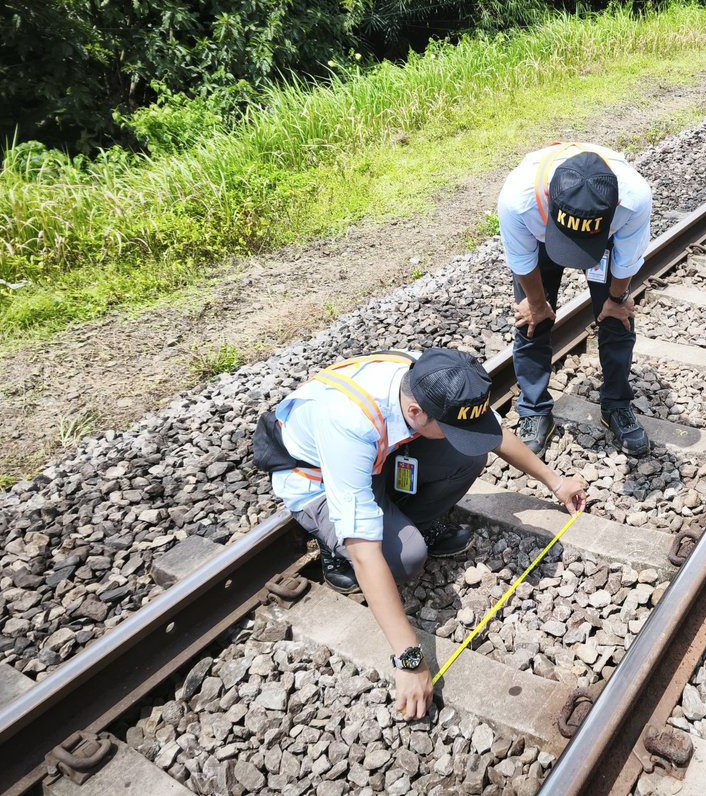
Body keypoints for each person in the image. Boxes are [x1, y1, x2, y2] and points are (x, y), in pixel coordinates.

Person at [253, 347, 588, 719]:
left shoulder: (434, 380)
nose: (460, 430)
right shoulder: (349, 423)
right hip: (317, 479)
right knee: (405, 556)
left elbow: (493, 433)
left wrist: (555, 481)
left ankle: (410, 522)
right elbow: (367, 554)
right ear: (415, 413)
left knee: (469, 454)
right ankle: (332, 543)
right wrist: (410, 659)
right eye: (449, 425)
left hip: (378, 457)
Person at [497, 142, 653, 458]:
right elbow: (523, 260)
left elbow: (625, 261)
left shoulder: (634, 199)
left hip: (606, 240)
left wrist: (617, 299)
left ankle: (616, 406)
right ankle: (534, 410)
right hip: (539, 235)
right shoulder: (519, 200)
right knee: (530, 319)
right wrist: (538, 304)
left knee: (618, 318)